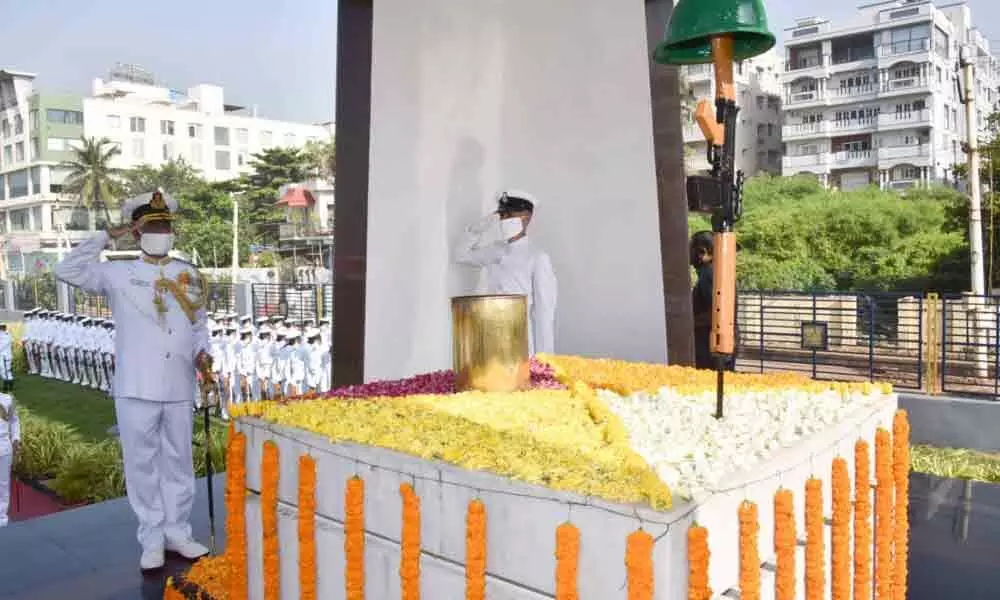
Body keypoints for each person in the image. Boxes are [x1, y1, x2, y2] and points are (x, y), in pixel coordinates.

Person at [54, 189, 211, 571]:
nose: (162, 232)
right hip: (135, 386)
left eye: (165, 226)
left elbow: (199, 325)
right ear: (137, 233)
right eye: (152, 226)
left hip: (177, 385)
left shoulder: (188, 274)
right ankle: (152, 538)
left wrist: (203, 355)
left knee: (179, 460)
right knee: (141, 464)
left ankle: (178, 532)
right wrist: (108, 235)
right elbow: (66, 270)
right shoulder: (117, 272)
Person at [454, 190, 558, 355]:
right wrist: (475, 231)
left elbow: (544, 312)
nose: (504, 220)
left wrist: (545, 360)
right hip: (489, 330)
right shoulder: (496, 249)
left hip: (519, 335)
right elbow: (460, 255)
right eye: (502, 216)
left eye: (509, 215)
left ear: (526, 217)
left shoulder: (537, 256)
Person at [689, 231, 737, 371]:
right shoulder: (716, 272)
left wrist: (688, 323)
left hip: (710, 345)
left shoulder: (709, 274)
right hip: (715, 344)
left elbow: (717, 313)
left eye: (691, 248)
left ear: (702, 253)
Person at [0, 390, 19, 527]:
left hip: (4, 445)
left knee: (3, 483)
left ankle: (2, 517)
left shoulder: (7, 399)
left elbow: (14, 420)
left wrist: (16, 438)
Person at [0, 324, 12, 392]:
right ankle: (7, 385)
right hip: (3, 355)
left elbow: (1, 346)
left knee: (5, 371)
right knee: (4, 370)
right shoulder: (4, 335)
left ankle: (7, 386)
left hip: (5, 356)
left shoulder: (6, 336)